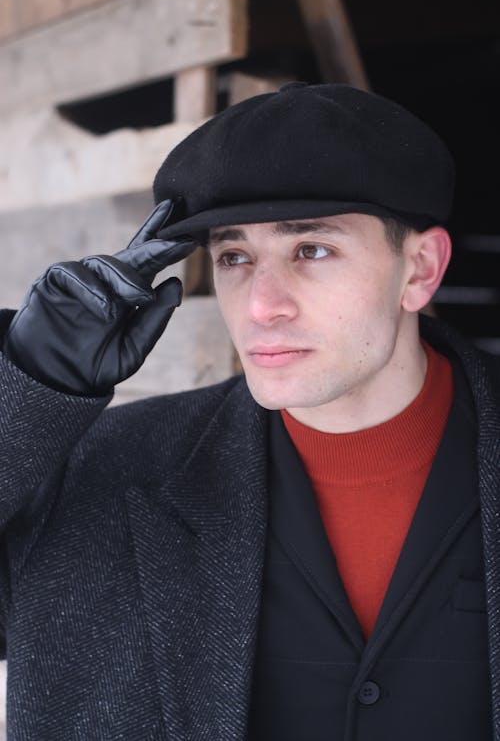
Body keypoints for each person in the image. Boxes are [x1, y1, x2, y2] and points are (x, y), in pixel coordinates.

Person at [0, 82, 499, 741]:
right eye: (235, 257)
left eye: (311, 250)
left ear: (421, 269)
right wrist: (29, 384)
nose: (263, 305)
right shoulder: (108, 472)